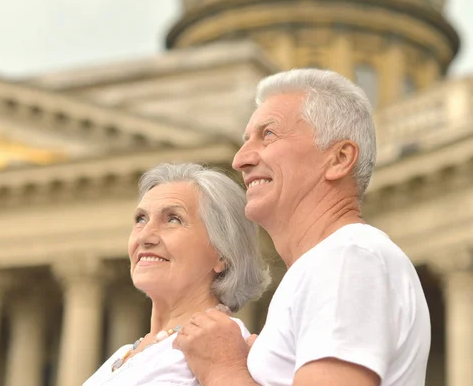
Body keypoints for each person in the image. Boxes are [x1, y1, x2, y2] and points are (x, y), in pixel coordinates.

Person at [173, 69, 432, 386]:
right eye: (246, 141)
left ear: (339, 158)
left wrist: (222, 368)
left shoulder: (346, 259)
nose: (240, 159)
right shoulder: (334, 262)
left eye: (268, 134)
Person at [83, 162, 271, 385]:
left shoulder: (223, 344)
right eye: (140, 219)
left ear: (223, 253)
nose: (145, 236)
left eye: (173, 219)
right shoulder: (123, 354)